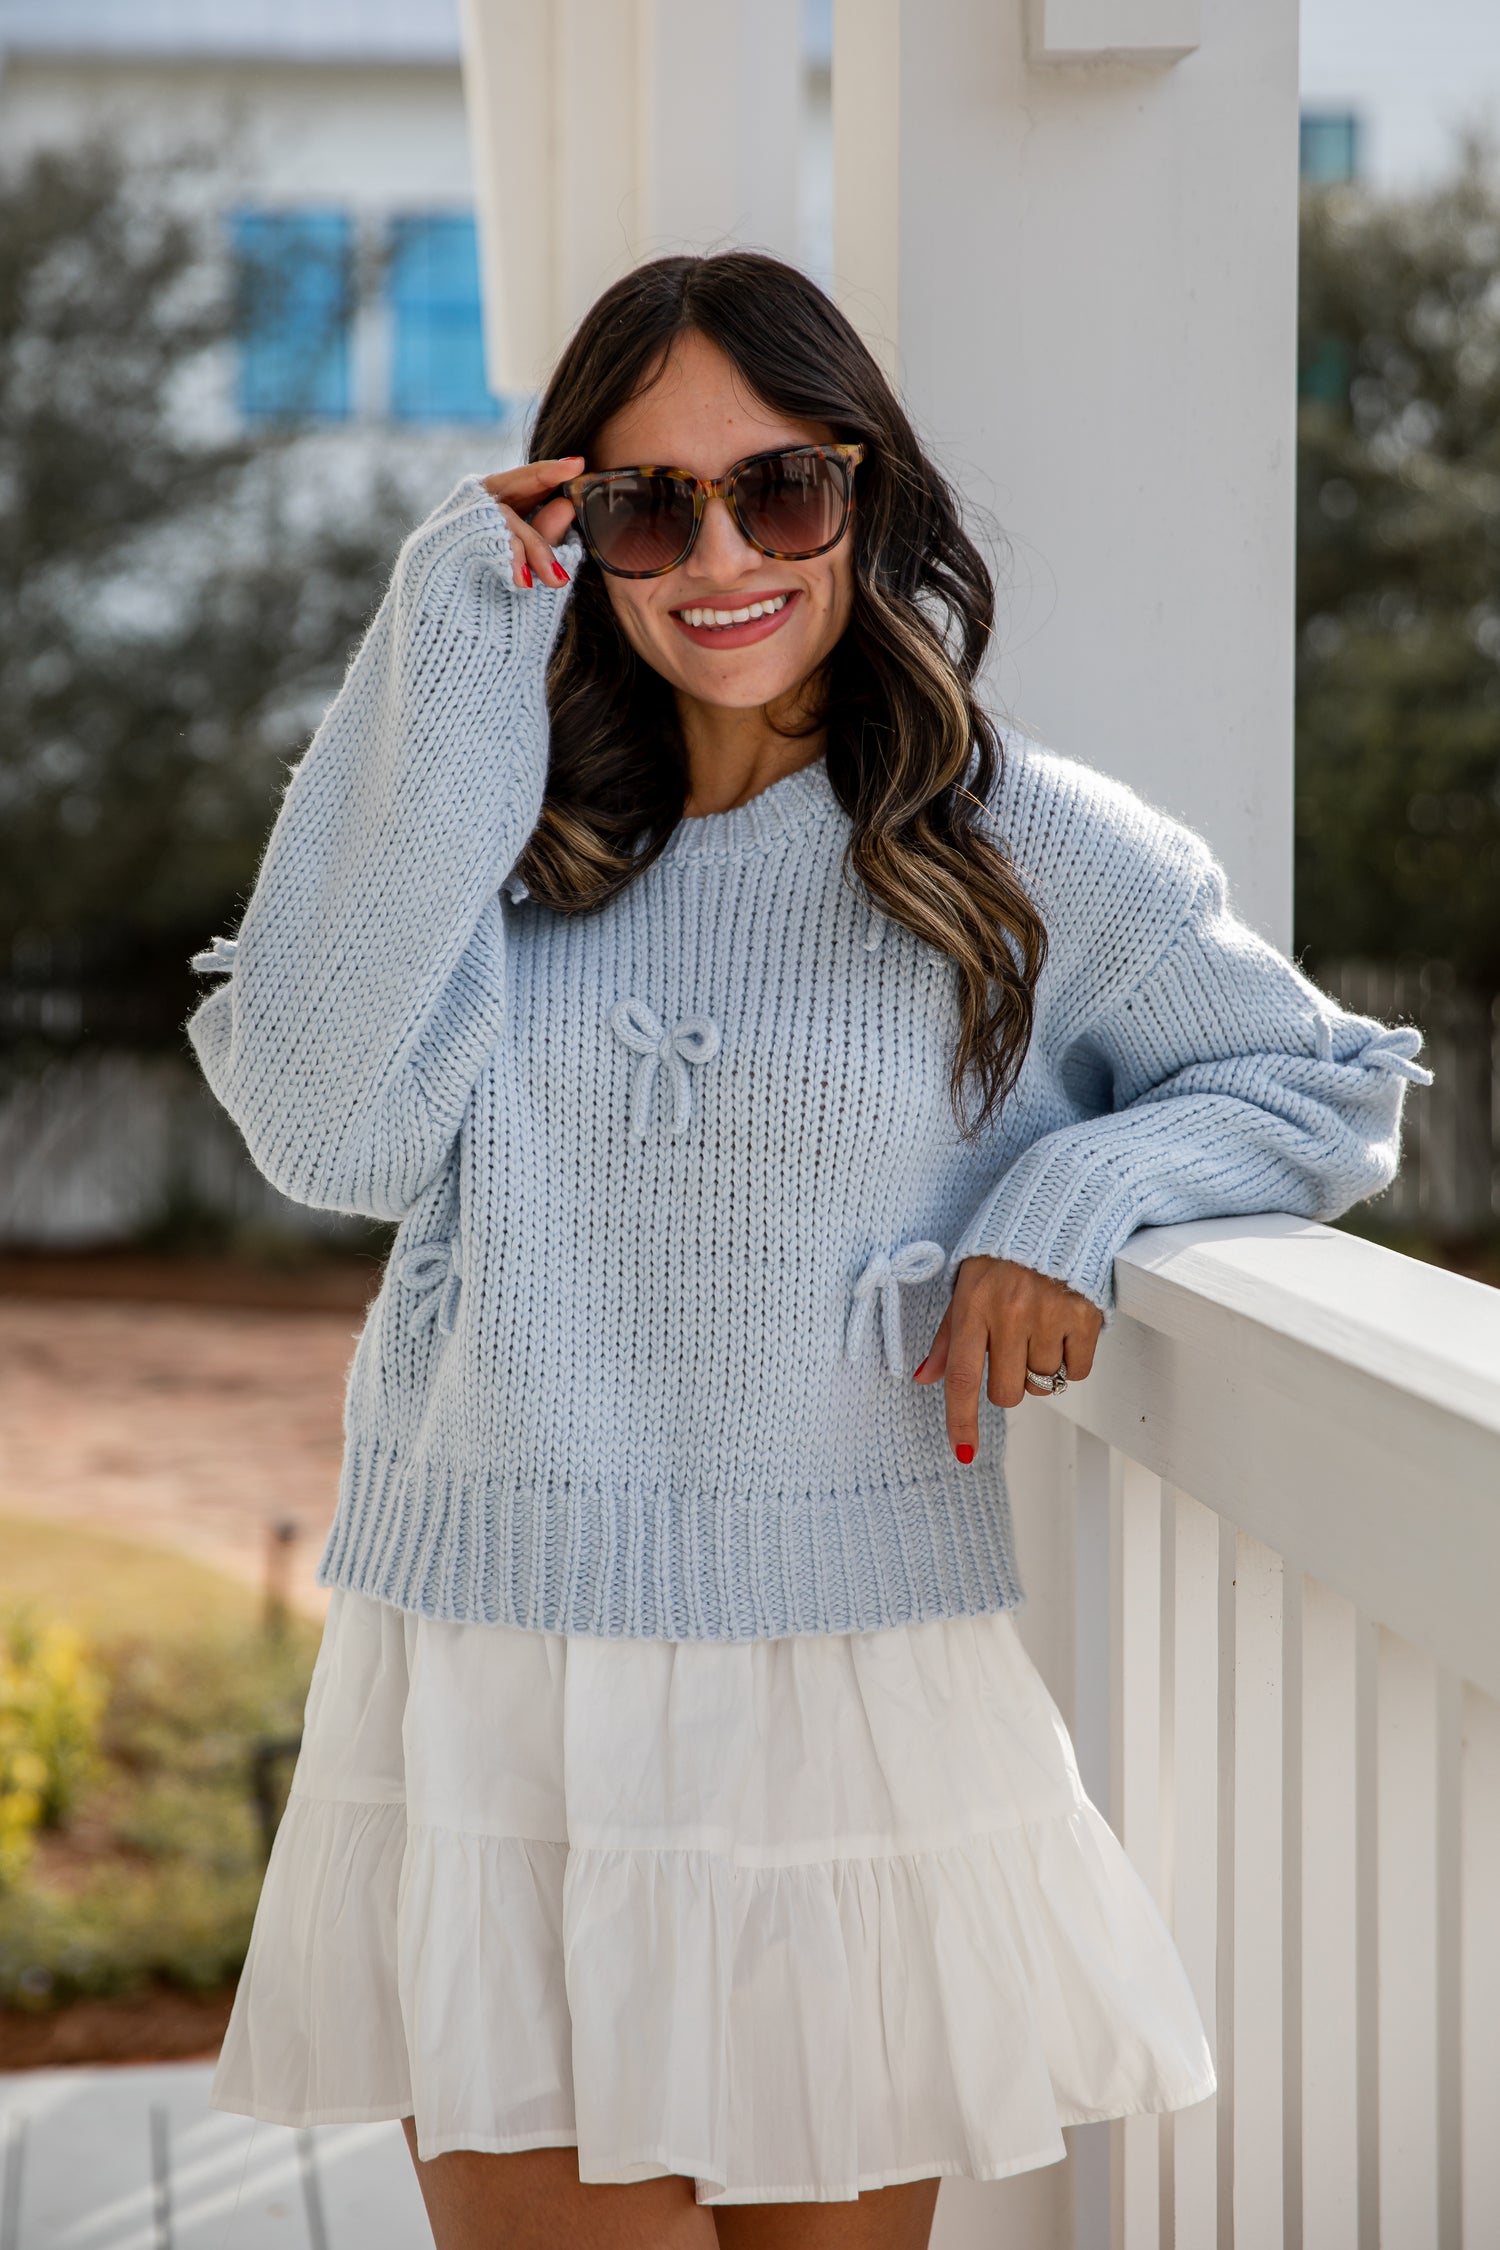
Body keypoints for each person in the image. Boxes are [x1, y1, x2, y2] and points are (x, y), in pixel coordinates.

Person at [189, 251, 1429, 2250]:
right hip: (502, 1671)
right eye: (644, 506)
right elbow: (325, 1133)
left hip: (837, 1681)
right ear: (575, 535)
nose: (718, 558)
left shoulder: (1015, 842)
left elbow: (1318, 1083)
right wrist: (442, 630)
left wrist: (1064, 1205)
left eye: (779, 489)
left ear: (865, 493)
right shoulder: (493, 835)